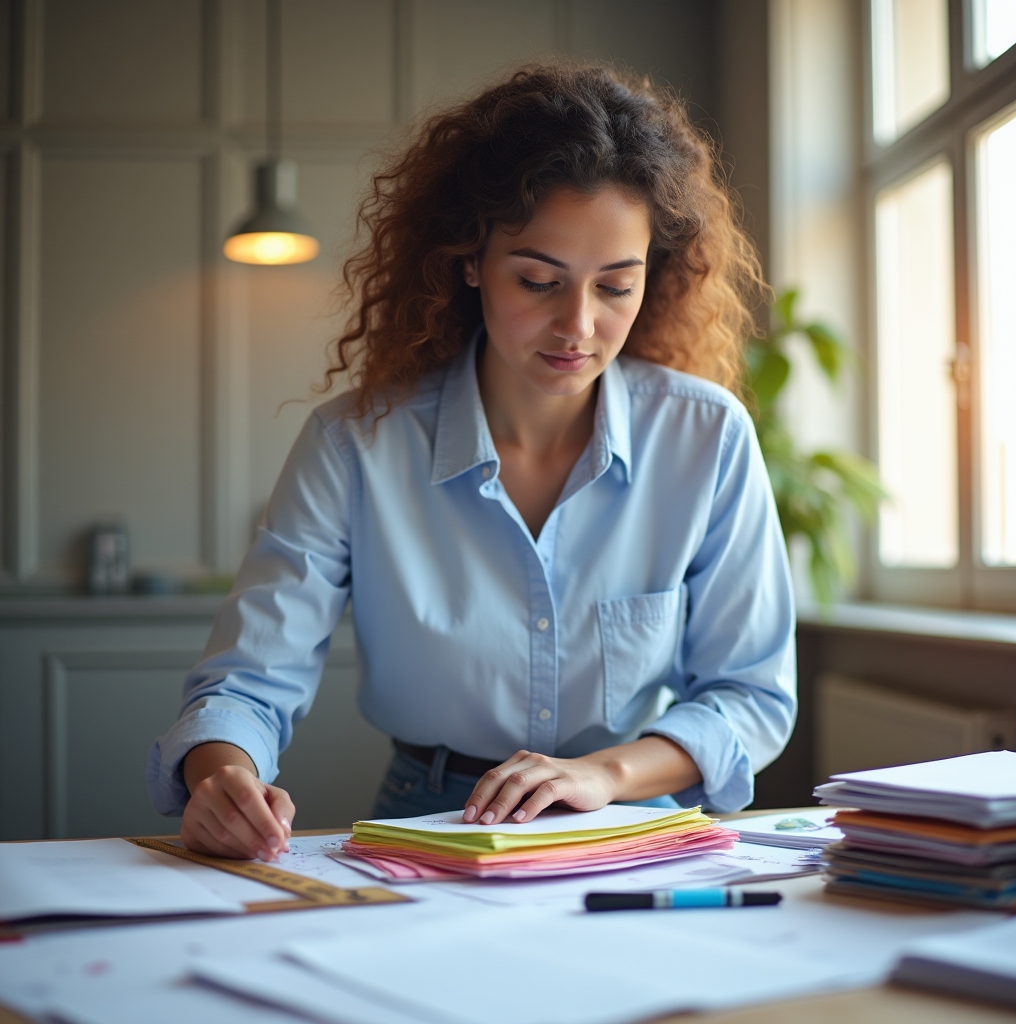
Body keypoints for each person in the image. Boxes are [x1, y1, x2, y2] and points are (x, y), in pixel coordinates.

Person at [148, 61, 796, 862]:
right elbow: (248, 678)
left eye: (616, 288)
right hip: (431, 816)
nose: (579, 327)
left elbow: (750, 696)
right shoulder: (356, 443)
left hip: (630, 815)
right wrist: (223, 778)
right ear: (468, 261)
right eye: (537, 279)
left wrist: (602, 772)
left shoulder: (707, 436)